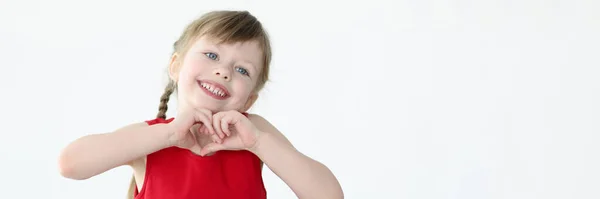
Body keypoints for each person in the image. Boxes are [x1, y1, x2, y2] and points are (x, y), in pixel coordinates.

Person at [57, 10, 343, 199]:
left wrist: (258, 143)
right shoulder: (151, 138)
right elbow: (70, 164)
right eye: (211, 55)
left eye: (243, 70)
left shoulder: (254, 134)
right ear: (175, 66)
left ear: (250, 100)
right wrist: (167, 135)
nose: (224, 71)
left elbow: (329, 195)